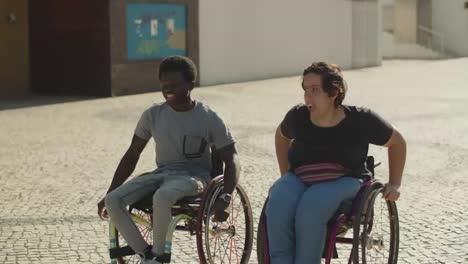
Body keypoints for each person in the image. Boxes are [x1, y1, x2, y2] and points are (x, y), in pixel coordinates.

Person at [96, 56, 240, 264]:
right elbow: (132, 154)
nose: (168, 90)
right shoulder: (153, 115)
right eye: (164, 85)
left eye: (174, 85)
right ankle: (147, 255)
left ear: (191, 85)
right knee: (113, 201)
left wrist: (226, 196)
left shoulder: (208, 118)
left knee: (163, 196)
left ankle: (159, 257)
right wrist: (111, 189)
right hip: (162, 173)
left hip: (195, 177)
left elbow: (232, 158)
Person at [266, 62, 406, 264]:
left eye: (315, 90)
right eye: (306, 90)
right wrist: (286, 174)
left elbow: (397, 142)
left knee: (312, 205)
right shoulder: (298, 116)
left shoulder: (359, 120)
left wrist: (395, 183)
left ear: (333, 92)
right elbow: (281, 136)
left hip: (345, 179)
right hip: (300, 177)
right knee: (278, 199)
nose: (307, 97)